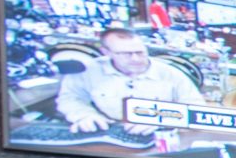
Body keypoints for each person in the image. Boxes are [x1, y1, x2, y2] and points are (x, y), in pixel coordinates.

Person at [55, 22, 210, 132]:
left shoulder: (171, 74)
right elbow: (69, 98)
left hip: (157, 135)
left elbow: (197, 110)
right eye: (125, 54)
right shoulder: (89, 70)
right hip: (108, 131)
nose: (136, 59)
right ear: (106, 52)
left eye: (140, 52)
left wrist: (162, 120)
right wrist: (85, 116)